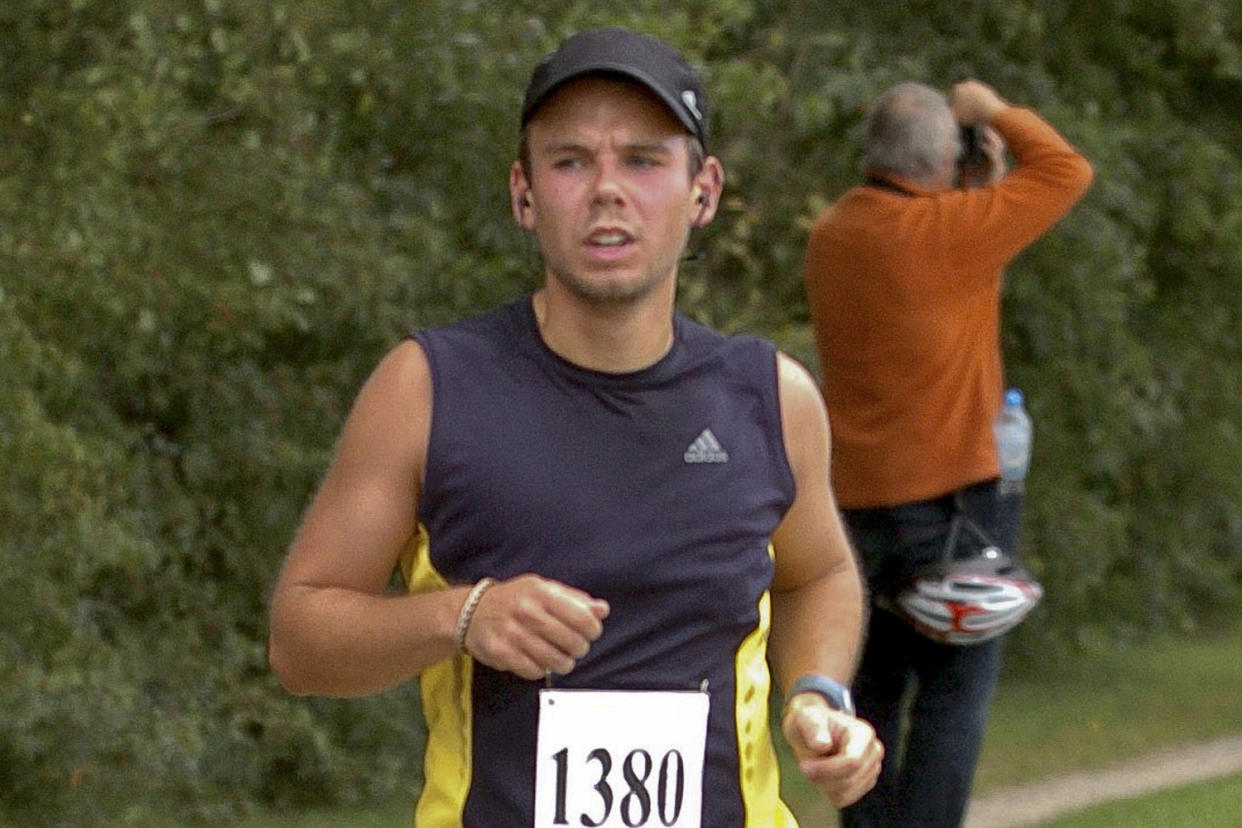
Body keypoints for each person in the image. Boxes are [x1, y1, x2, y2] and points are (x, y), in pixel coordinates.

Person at [268, 27, 883, 826]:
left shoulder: (770, 396)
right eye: (570, 161)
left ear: (705, 192)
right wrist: (462, 617)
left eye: (642, 160)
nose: (606, 190)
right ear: (523, 195)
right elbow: (300, 640)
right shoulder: (429, 388)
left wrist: (817, 695)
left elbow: (820, 575)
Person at [802, 80, 1093, 827]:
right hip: (956, 512)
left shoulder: (833, 235)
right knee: (952, 699)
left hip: (856, 512)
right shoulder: (953, 232)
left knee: (871, 701)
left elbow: (943, 280)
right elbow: (1067, 171)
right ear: (941, 158)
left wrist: (972, 188)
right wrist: (991, 108)